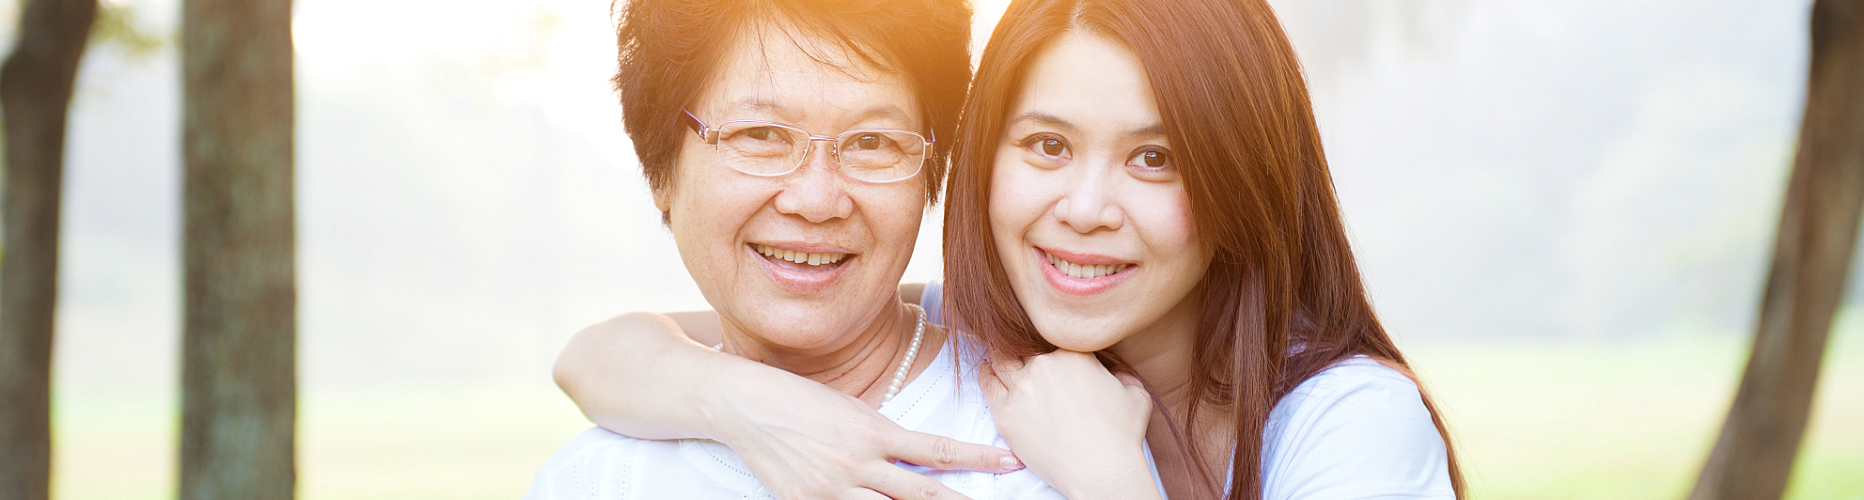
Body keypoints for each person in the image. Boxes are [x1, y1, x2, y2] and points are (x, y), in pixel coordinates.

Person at [556, 0, 1466, 498]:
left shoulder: (1348, 424)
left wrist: (1112, 485)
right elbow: (613, 349)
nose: (1084, 208)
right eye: (1046, 145)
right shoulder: (986, 336)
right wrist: (743, 401)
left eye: (1157, 158)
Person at [526, 0, 1071, 499]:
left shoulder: (1047, 438)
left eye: (872, 142)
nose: (817, 200)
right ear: (662, 170)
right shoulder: (594, 479)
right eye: (761, 135)